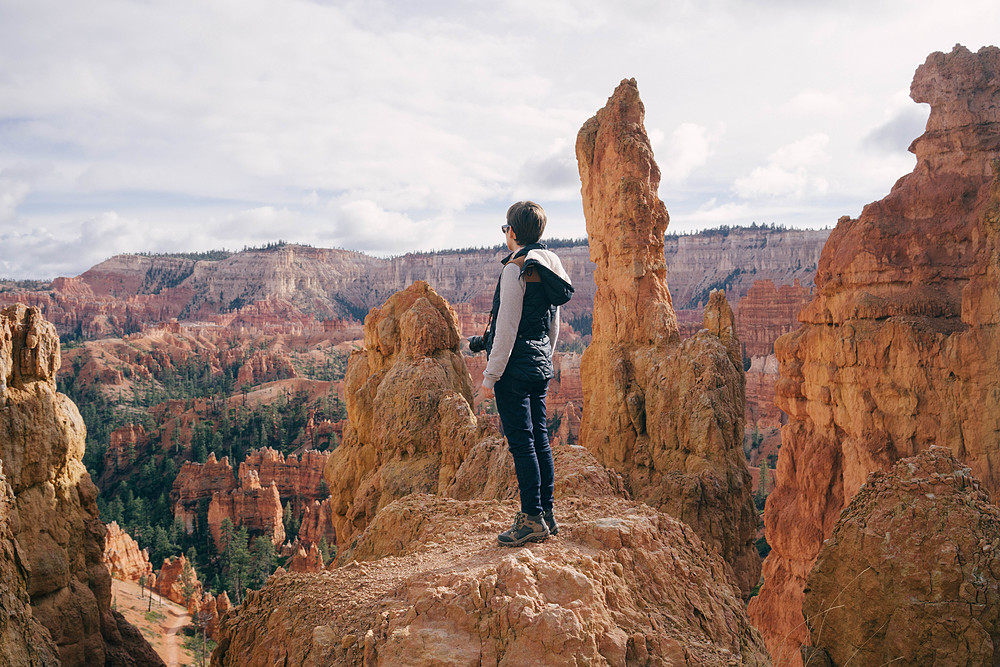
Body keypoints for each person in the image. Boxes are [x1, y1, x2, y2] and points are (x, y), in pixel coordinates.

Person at [473, 200, 573, 547]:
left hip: (514, 370)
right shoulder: (550, 264)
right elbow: (553, 322)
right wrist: (546, 355)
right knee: (541, 439)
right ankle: (546, 514)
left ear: (512, 231)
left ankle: (530, 519)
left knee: (522, 444)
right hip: (540, 364)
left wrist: (490, 377)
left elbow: (507, 328)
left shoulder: (514, 268)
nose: (505, 233)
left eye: (505, 228)